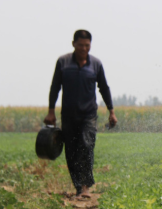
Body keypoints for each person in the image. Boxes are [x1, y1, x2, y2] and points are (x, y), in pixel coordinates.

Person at [45, 29, 118, 199]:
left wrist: (111, 111)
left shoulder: (96, 64)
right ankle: (78, 186)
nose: (84, 48)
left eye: (87, 45)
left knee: (86, 145)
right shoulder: (63, 62)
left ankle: (85, 187)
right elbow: (55, 87)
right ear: (73, 44)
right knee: (71, 150)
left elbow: (104, 88)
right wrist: (51, 112)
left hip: (88, 114)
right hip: (68, 114)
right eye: (80, 45)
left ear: (90, 45)